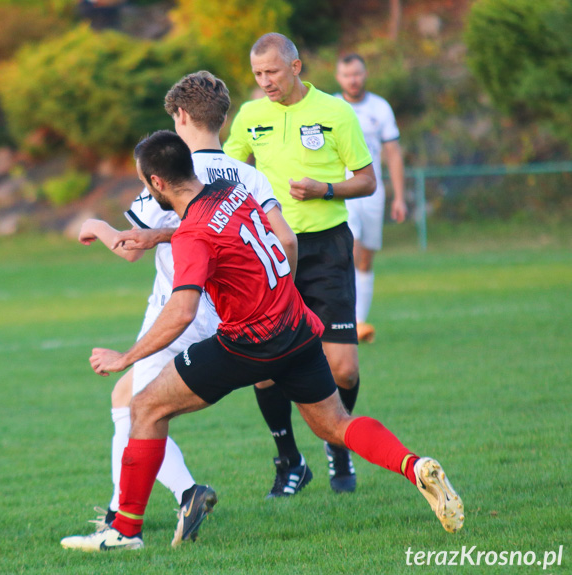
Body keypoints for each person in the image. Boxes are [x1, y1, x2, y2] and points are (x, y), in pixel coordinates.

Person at [60, 130, 463, 551]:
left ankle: (124, 531)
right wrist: (157, 236)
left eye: (145, 183)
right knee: (335, 425)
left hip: (247, 344)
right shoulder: (232, 190)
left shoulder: (193, 237)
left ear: (157, 183)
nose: (146, 189)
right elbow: (241, 235)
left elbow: (181, 311)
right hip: (298, 327)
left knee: (143, 406)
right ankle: (414, 465)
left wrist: (126, 356)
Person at [66, 71, 297, 548]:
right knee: (127, 403)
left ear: (183, 117)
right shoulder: (246, 174)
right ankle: (119, 508)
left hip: (179, 310)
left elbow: (131, 247)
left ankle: (155, 507)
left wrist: (96, 225)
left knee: (135, 410)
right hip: (234, 314)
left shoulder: (174, 175)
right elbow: (285, 238)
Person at [223, 33, 375, 496]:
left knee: (344, 368)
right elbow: (224, 169)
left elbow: (366, 181)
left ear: (296, 67)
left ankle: (338, 443)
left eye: (272, 72)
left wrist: (325, 189)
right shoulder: (250, 116)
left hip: (327, 247)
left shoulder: (334, 112)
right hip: (270, 251)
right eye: (257, 74)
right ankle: (289, 461)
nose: (264, 82)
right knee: (266, 366)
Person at [335, 53, 407, 344]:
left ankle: (358, 321)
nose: (353, 80)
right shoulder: (330, 107)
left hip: (372, 192)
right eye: (347, 75)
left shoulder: (380, 107)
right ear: (339, 78)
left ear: (365, 74)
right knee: (349, 250)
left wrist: (399, 197)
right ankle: (346, 321)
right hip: (341, 192)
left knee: (365, 258)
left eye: (357, 74)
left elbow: (393, 152)